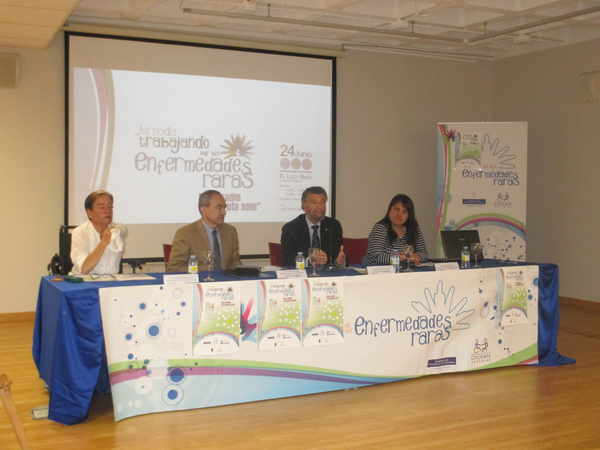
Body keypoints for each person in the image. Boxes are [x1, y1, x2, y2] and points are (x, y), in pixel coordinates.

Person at [167, 190, 240, 272]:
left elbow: (235, 264)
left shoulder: (230, 231)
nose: (224, 212)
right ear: (203, 210)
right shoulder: (185, 233)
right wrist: (206, 269)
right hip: (199, 282)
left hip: (228, 283)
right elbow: (174, 269)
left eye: (224, 208)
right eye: (219, 208)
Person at [281, 186, 344, 268]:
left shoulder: (333, 225)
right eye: (314, 203)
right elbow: (288, 261)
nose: (320, 206)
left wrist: (338, 262)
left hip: (326, 276)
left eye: (323, 202)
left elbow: (336, 257)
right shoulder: (291, 229)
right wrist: (309, 260)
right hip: (302, 276)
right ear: (303, 205)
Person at [70, 190, 127, 274]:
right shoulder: (79, 233)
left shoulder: (117, 230)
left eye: (110, 207)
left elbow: (123, 229)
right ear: (89, 213)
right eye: (102, 207)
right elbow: (84, 268)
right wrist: (103, 242)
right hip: (84, 282)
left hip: (111, 282)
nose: (107, 211)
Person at [366, 194, 427, 266]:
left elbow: (424, 253)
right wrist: (398, 258)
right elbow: (375, 257)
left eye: (404, 212)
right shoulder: (380, 228)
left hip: (404, 271)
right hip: (379, 271)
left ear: (409, 215)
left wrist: (418, 257)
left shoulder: (414, 229)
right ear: (390, 210)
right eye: (396, 209)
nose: (399, 215)